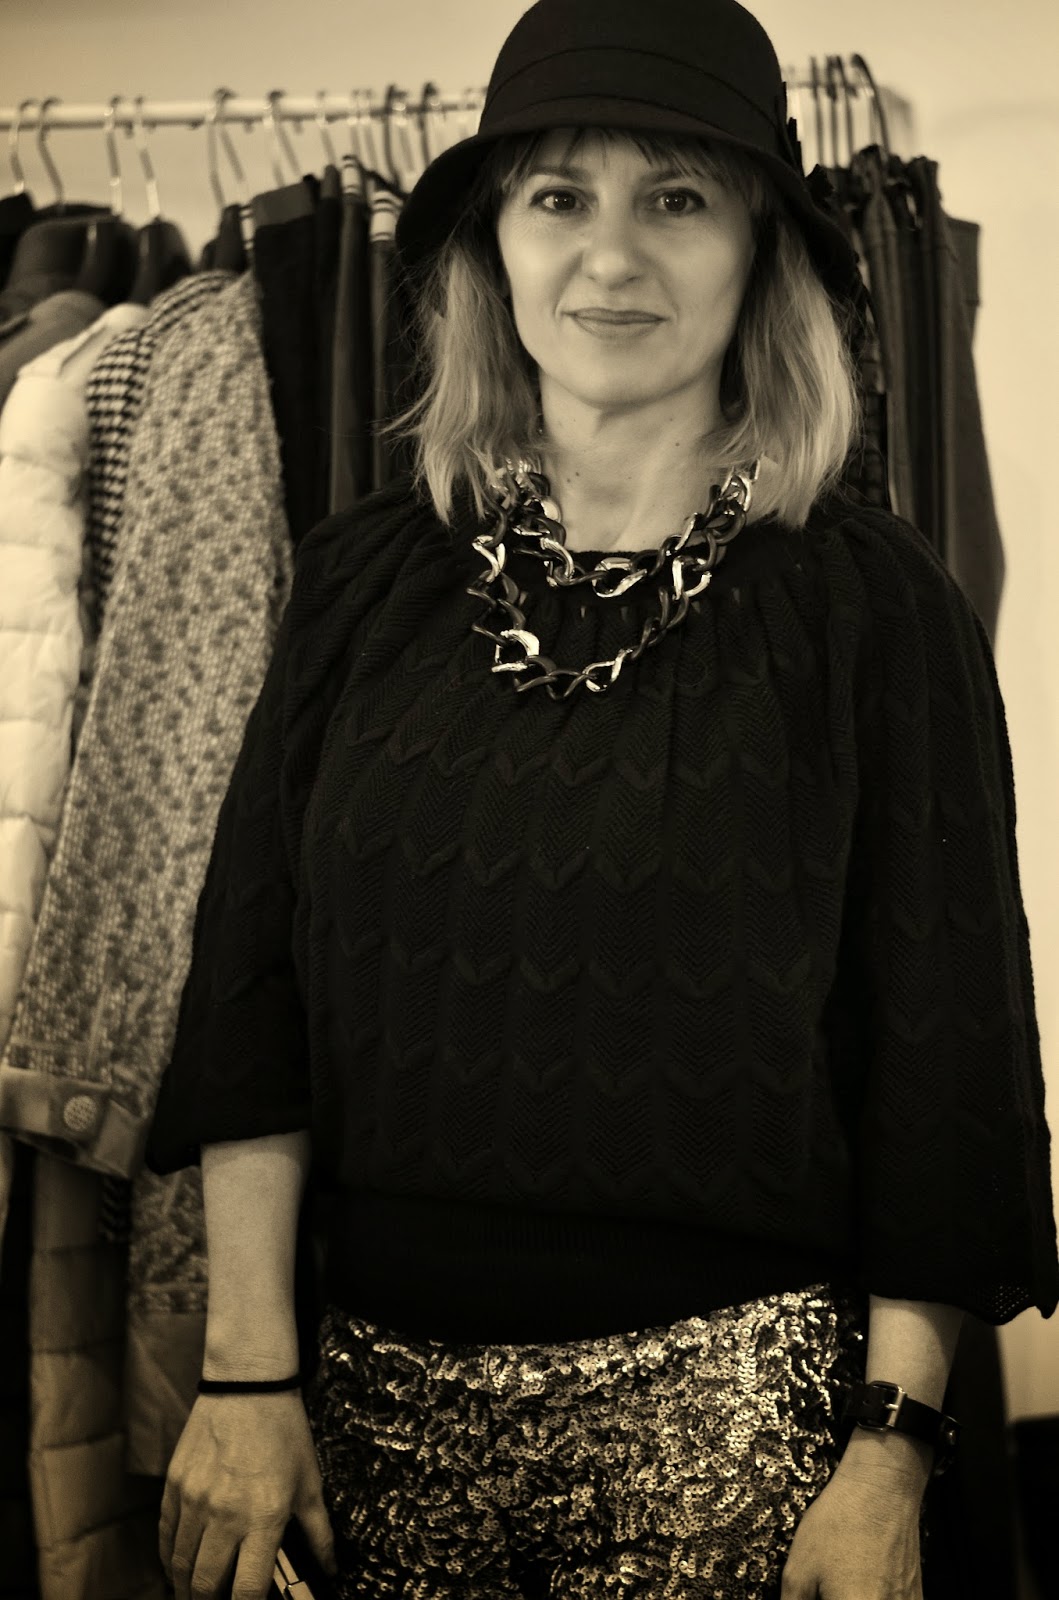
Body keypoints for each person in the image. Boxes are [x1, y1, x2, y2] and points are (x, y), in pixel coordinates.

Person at [145, 0, 1059, 1596]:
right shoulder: (362, 582)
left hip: (744, 1442)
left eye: (677, 198)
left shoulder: (871, 608)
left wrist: (892, 1453)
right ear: (492, 247)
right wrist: (245, 1377)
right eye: (558, 195)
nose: (612, 255)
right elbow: (250, 1000)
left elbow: (946, 1055)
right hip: (363, 1433)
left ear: (761, 251)